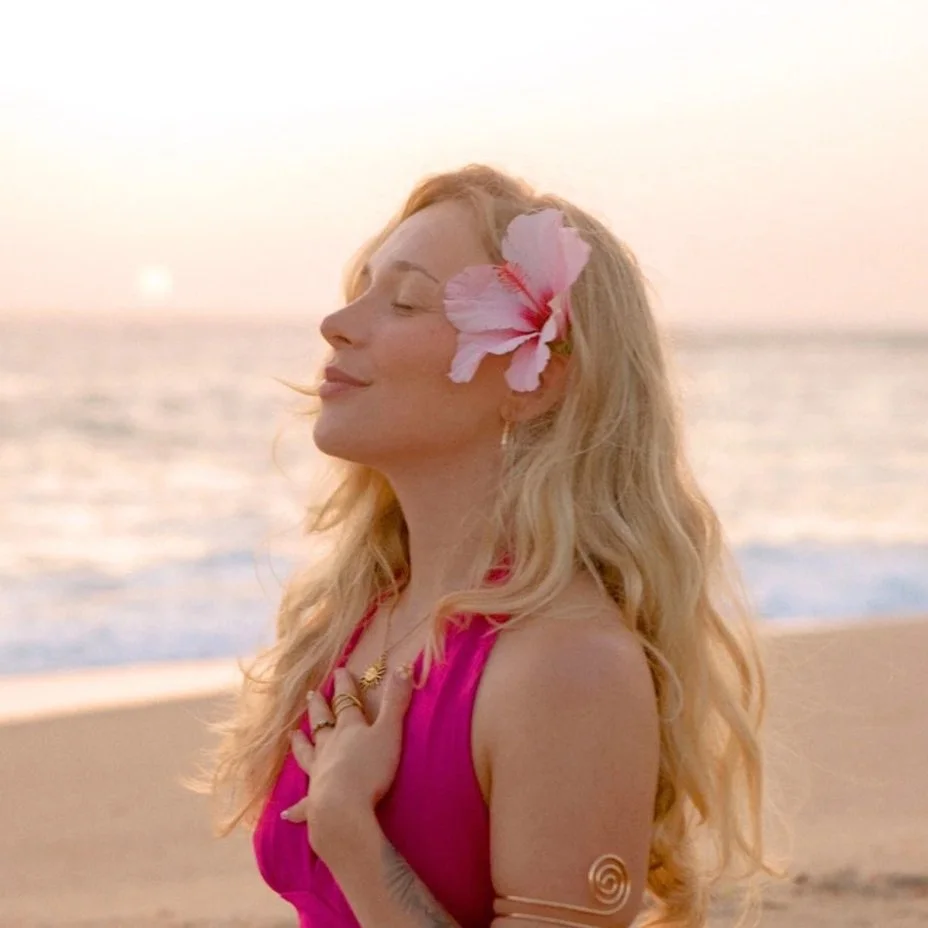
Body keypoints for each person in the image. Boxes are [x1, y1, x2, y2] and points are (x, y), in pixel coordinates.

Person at [192, 165, 772, 927]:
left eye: (405, 301)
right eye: (361, 288)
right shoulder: (369, 616)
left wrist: (352, 837)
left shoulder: (568, 665)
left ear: (536, 381)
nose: (336, 322)